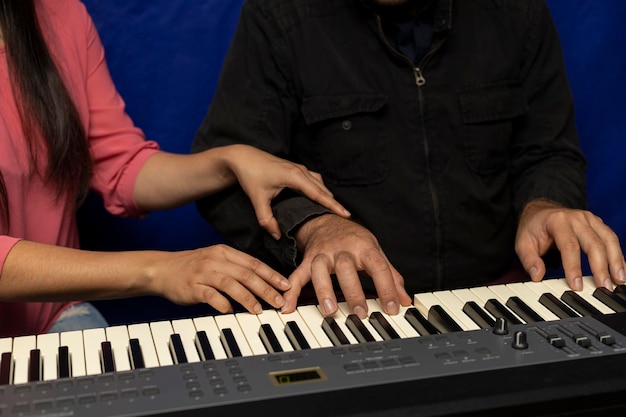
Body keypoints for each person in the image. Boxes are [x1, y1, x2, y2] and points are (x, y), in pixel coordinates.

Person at [192, 0, 626, 320]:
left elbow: (548, 150)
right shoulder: (279, 16)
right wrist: (316, 227)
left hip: (497, 299)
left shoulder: (519, 12)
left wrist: (544, 205)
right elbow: (226, 177)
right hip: (345, 313)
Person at [0, 0, 350, 337]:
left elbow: (119, 166)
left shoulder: (62, 14)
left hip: (54, 317)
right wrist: (158, 270)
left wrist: (230, 161)